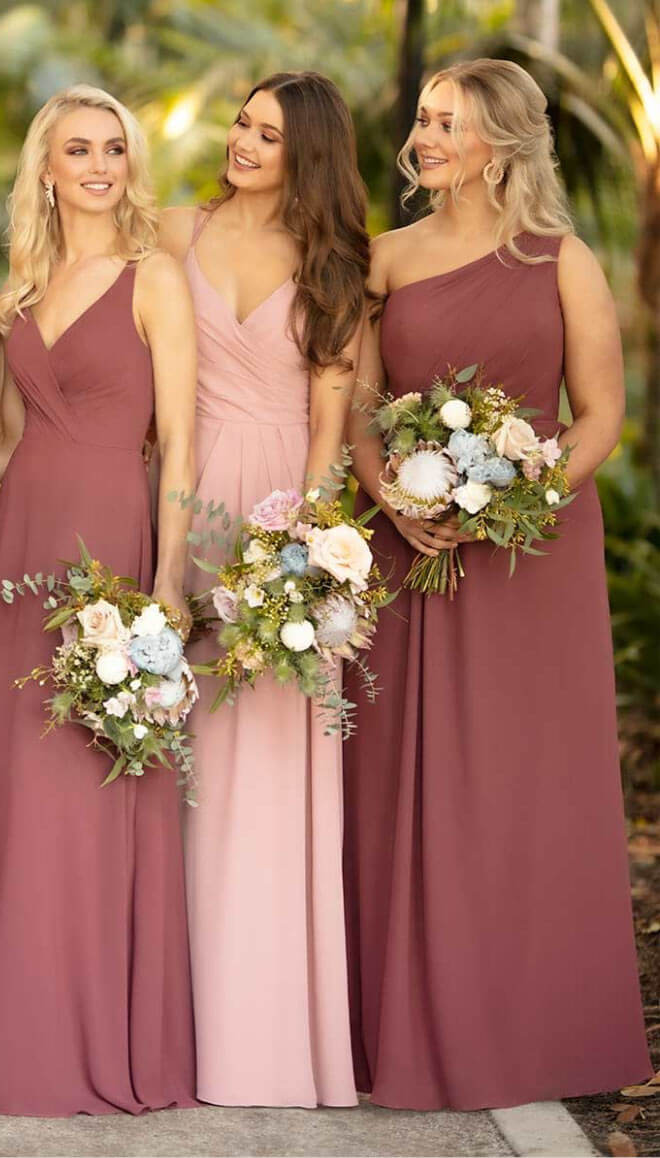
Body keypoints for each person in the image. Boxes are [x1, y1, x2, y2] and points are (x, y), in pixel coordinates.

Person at [343, 58, 650, 1110]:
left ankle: (539, 1028)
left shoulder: (562, 262)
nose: (423, 137)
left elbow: (599, 416)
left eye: (445, 123)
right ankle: (408, 1025)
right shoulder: (380, 261)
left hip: (533, 558)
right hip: (409, 548)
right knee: (404, 780)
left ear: (502, 143)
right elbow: (355, 406)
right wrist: (391, 497)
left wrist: (508, 507)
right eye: (423, 119)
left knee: (528, 782)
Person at [0, 84, 198, 1116]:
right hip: (19, 539)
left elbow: (182, 443)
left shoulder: (157, 281)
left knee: (96, 780)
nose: (100, 165)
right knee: (22, 786)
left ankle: (101, 1035)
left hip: (110, 531)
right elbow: (8, 436)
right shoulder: (19, 288)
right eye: (78, 149)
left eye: (113, 148)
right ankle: (21, 1031)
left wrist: (169, 585)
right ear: (45, 168)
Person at [159, 71, 368, 1109]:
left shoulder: (335, 265)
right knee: (182, 759)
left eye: (269, 133)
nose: (244, 141)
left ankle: (269, 1037)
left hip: (281, 523)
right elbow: (40, 216)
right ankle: (173, 1028)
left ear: (309, 153)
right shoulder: (169, 229)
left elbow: (331, 440)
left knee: (272, 764)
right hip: (183, 501)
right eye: (242, 122)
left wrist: (304, 559)